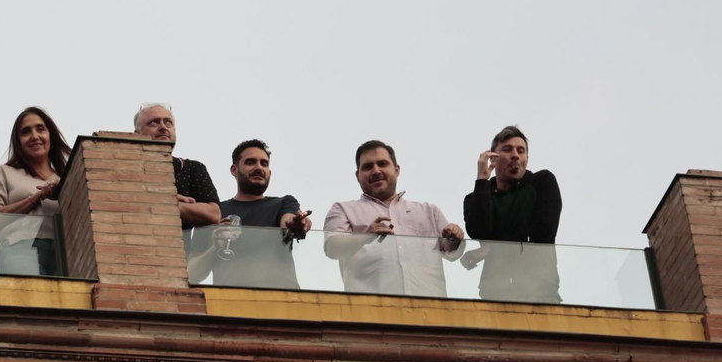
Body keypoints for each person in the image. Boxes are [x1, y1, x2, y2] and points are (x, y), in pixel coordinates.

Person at [323, 140, 466, 297]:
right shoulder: (343, 209)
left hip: (430, 312)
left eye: (382, 164)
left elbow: (452, 253)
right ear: (357, 176)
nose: (376, 171)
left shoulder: (428, 211)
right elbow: (332, 248)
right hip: (369, 313)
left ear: (396, 170)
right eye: (368, 167)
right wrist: (365, 236)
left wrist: (455, 237)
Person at [189, 140, 312, 288]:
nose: (259, 167)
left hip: (284, 300)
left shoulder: (284, 203)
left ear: (269, 173)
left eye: (264, 164)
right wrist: (215, 247)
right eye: (250, 162)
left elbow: (287, 223)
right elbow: (192, 275)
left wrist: (296, 224)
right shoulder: (213, 212)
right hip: (230, 302)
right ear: (234, 170)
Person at [461, 125, 563, 303]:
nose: (515, 154)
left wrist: (490, 249)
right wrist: (482, 180)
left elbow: (540, 236)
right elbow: (479, 230)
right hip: (494, 295)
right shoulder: (476, 197)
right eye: (507, 149)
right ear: (493, 158)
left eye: (521, 151)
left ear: (526, 159)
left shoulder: (542, 182)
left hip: (540, 295)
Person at [0, 107, 69, 276]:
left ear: (50, 136)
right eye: (26, 132)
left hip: (65, 252)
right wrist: (36, 198)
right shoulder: (4, 173)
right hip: (19, 248)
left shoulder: (66, 178)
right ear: (18, 142)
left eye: (40, 129)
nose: (35, 136)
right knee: (31, 300)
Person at [132, 103, 221, 231]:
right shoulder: (126, 170)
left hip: (179, 249)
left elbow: (213, 214)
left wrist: (169, 203)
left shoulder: (192, 169)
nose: (163, 127)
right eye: (154, 123)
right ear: (137, 134)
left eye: (168, 122)